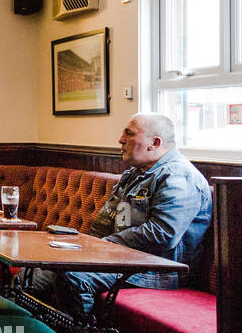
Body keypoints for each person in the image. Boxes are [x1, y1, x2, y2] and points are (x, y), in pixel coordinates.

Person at [31, 112, 212, 317]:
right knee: (32, 274)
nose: (120, 140)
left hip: (156, 270)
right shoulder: (135, 174)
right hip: (119, 259)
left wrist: (104, 247)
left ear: (154, 142)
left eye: (129, 134)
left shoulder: (179, 176)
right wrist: (82, 249)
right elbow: (105, 221)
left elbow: (163, 234)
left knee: (72, 276)